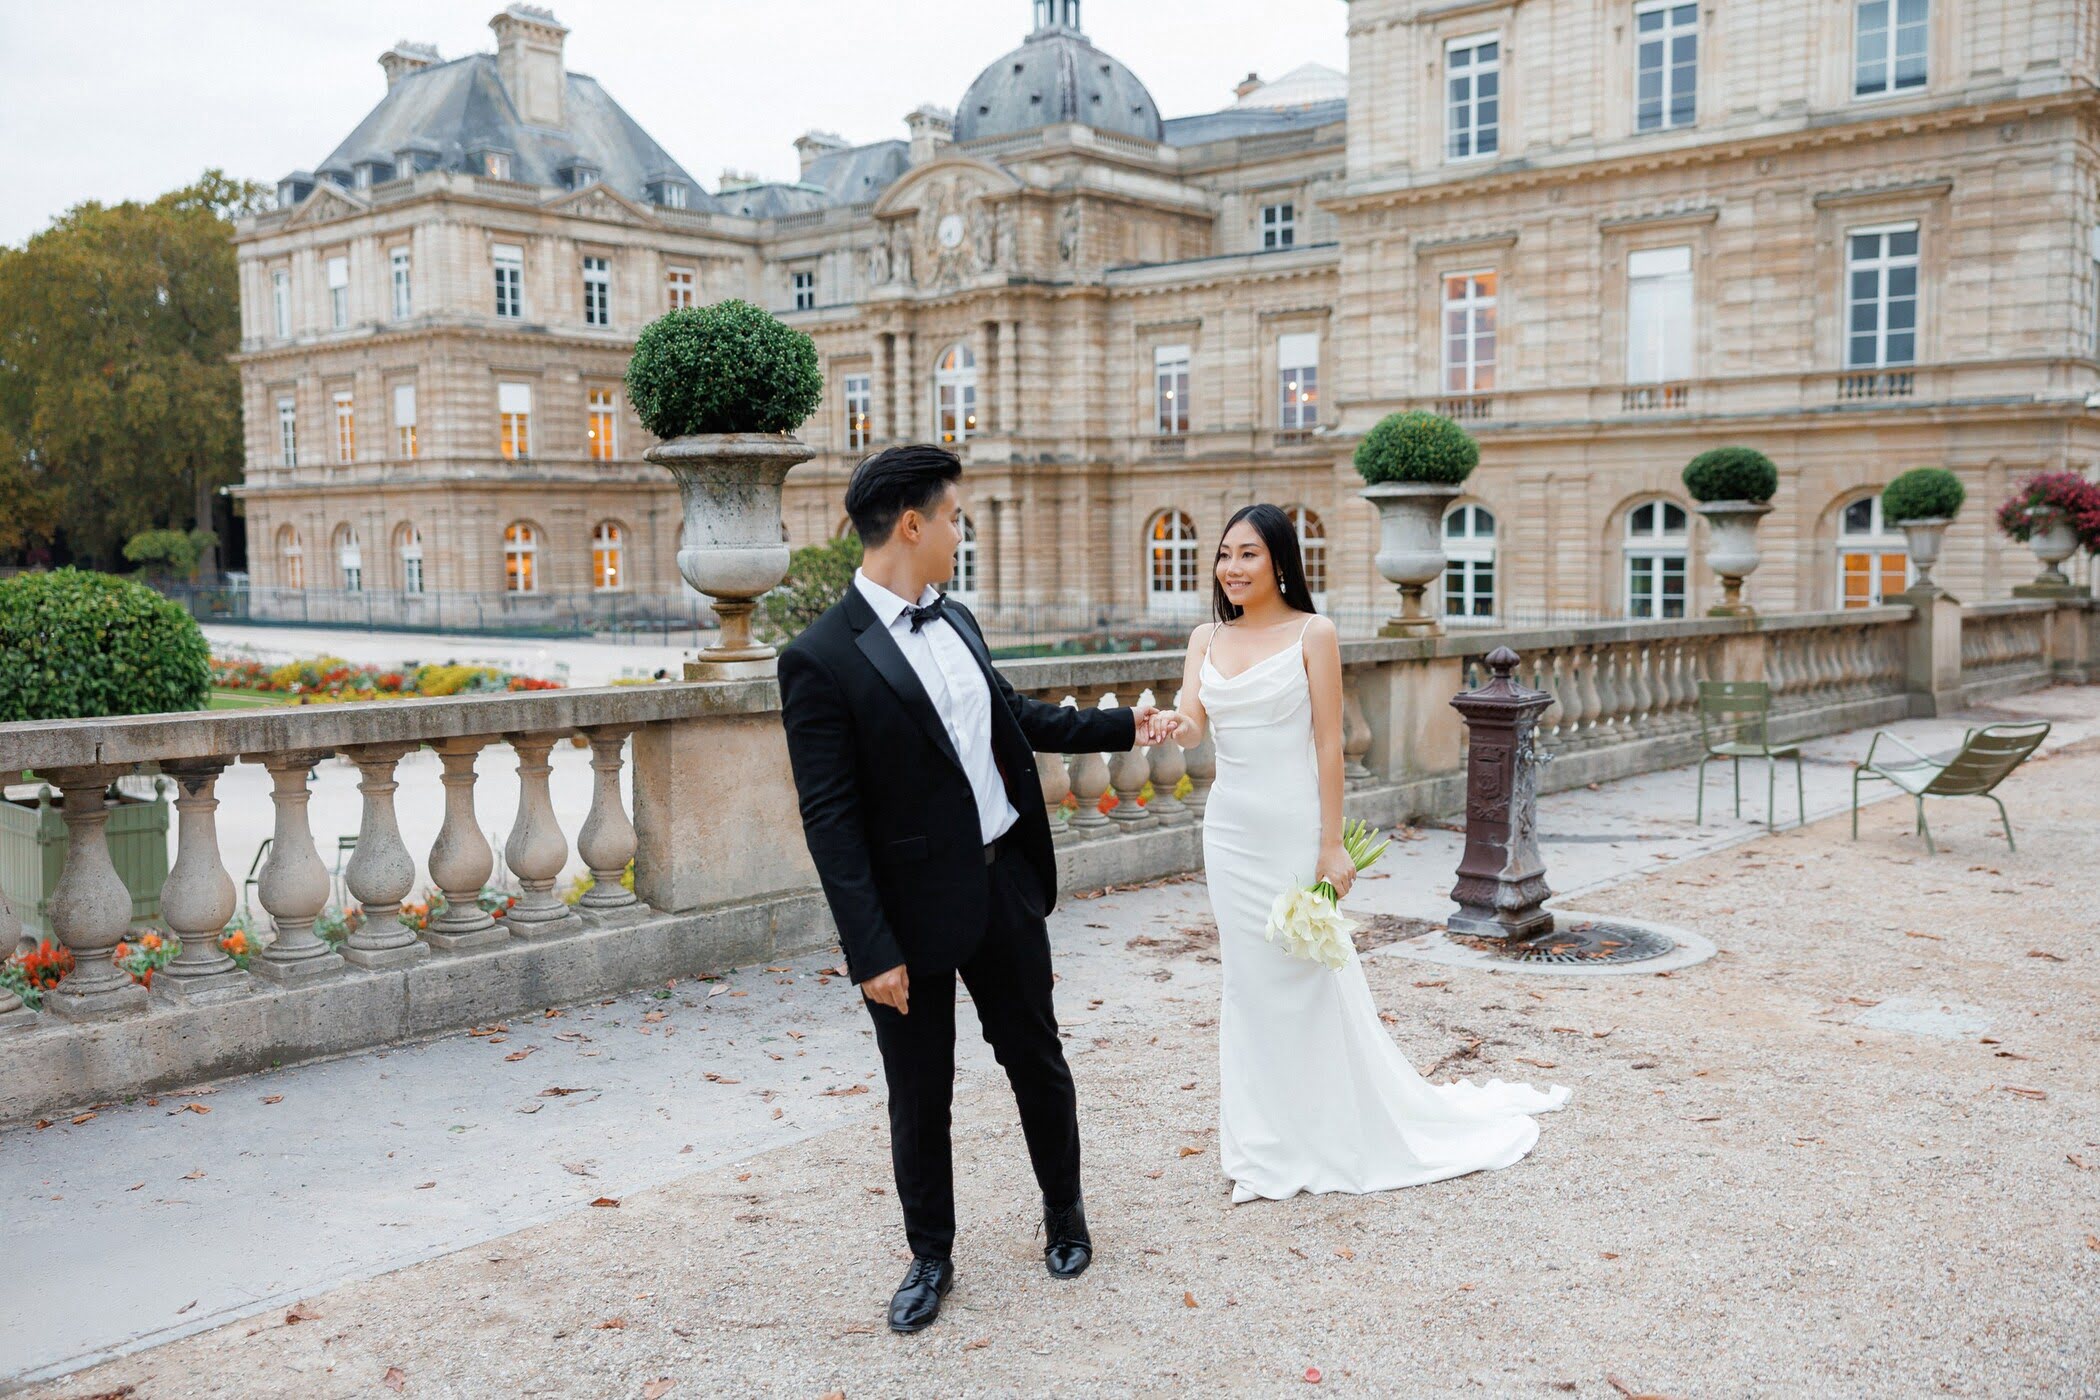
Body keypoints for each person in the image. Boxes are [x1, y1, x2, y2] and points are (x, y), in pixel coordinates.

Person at [777, 444, 1169, 1333]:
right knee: (920, 1093)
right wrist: (869, 948)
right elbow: (829, 821)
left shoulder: (957, 622)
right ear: (910, 526)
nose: (962, 532)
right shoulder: (819, 657)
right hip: (908, 920)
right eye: (954, 518)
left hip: (1005, 887)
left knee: (1038, 1059)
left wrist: (1126, 724)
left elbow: (1016, 720)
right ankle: (930, 1255)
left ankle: (1064, 1214)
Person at [1158, 504, 1569, 1204]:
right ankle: (1260, 1146)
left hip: (1292, 831)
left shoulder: (1313, 633)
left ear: (1280, 561)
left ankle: (1330, 1130)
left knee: (1308, 979)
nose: (1232, 567)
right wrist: (1173, 722)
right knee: (1249, 987)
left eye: (1248, 554)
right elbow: (1196, 724)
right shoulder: (1205, 638)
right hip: (1229, 831)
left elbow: (1328, 743)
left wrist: (1329, 845)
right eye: (1225, 554)